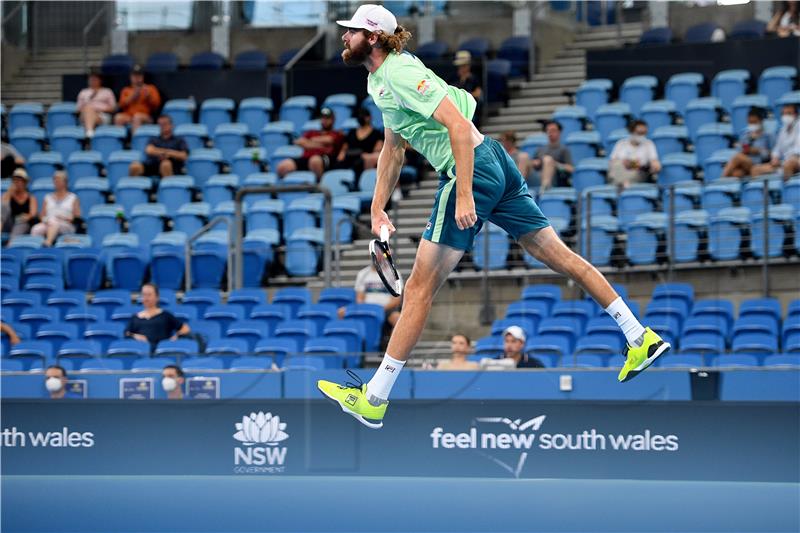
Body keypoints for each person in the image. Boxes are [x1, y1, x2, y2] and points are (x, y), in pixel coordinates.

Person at [317, 4, 669, 429]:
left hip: (473, 169)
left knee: (418, 288)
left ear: (372, 38)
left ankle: (375, 398)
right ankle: (638, 336)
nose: (344, 36)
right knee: (561, 257)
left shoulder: (400, 72)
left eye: (352, 30)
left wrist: (464, 192)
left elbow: (459, 127)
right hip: (496, 165)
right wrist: (377, 208)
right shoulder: (380, 80)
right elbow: (393, 148)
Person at [276, 107, 345, 180]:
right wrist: (322, 146)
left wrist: (309, 142)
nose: (325, 120)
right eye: (323, 118)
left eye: (328, 118)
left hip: (324, 159)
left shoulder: (336, 134)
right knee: (283, 166)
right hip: (306, 158)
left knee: (314, 160)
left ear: (333, 120)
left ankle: (320, 186)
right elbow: (299, 142)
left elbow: (329, 140)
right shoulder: (312, 132)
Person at [125, 283, 191, 353]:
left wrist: (175, 337)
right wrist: (135, 336)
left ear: (157, 297)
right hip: (143, 352)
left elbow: (185, 329)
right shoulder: (135, 317)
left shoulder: (165, 315)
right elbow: (127, 333)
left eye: (149, 295)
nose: (146, 298)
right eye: (144, 295)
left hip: (162, 352)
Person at [338, 263, 402, 332]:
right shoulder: (363, 273)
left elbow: (396, 300)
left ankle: (394, 342)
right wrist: (366, 308)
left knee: (398, 319)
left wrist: (379, 309)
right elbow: (359, 298)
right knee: (341, 312)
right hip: (367, 308)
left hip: (386, 310)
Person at [749, 103, 800, 180]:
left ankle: (787, 190)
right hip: (783, 162)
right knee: (755, 169)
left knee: (789, 164)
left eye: (789, 113)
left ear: (796, 115)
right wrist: (775, 158)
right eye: (784, 114)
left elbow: (797, 152)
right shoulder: (783, 129)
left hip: (796, 161)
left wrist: (782, 161)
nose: (786, 116)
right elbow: (777, 149)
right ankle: (763, 191)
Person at [128, 115, 188, 179]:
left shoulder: (179, 140)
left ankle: (167, 187)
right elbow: (149, 150)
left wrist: (160, 152)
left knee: (165, 164)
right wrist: (168, 153)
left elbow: (183, 156)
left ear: (171, 125)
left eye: (165, 124)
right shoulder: (154, 139)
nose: (163, 126)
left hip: (172, 166)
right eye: (160, 124)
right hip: (153, 164)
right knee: (135, 166)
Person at [30, 170, 80, 247]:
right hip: (48, 222)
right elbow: (42, 215)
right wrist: (45, 220)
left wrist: (65, 218)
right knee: (35, 229)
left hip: (66, 224)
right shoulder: (47, 197)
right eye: (55, 180)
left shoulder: (73, 197)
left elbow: (77, 217)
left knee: (54, 221)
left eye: (59, 180)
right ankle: (36, 250)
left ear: (65, 182)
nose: (56, 182)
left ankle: (48, 243)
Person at [608, 119, 661, 188]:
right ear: (631, 132)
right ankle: (622, 185)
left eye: (644, 133)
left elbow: (655, 163)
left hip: (639, 172)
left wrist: (633, 164)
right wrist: (625, 163)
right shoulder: (621, 144)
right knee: (617, 165)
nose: (642, 136)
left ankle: (623, 186)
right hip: (621, 171)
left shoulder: (649, 144)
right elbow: (612, 161)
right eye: (639, 133)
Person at [722, 109, 775, 178]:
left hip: (759, 163)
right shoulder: (745, 135)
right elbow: (740, 149)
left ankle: (721, 179)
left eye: (754, 122)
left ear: (761, 121)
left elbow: (773, 154)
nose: (752, 124)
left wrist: (758, 151)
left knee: (737, 157)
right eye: (750, 122)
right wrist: (744, 149)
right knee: (736, 173)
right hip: (745, 163)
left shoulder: (768, 136)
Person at [336, 107, 384, 176]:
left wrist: (368, 156)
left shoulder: (376, 133)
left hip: (364, 159)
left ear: (369, 117)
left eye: (363, 116)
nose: (361, 118)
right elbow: (344, 147)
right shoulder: (352, 132)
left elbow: (378, 149)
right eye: (359, 116)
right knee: (338, 165)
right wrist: (341, 154)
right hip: (350, 156)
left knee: (358, 164)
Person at [114, 65, 162, 131]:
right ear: (130, 77)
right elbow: (121, 105)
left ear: (143, 77)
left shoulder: (150, 88)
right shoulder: (126, 90)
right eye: (134, 75)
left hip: (146, 117)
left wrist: (148, 97)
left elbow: (157, 105)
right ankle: (120, 140)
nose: (137, 78)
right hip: (129, 116)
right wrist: (132, 96)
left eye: (139, 75)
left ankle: (135, 140)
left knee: (137, 117)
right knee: (118, 117)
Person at [530, 121, 573, 192]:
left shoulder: (563, 149)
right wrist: (535, 162)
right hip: (538, 177)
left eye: (553, 130)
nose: (550, 133)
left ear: (559, 132)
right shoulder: (540, 149)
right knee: (523, 157)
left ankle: (544, 191)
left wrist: (554, 164)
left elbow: (571, 169)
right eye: (548, 130)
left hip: (556, 178)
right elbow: (532, 163)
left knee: (548, 159)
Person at [76, 71, 117, 138]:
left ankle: (89, 133)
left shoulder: (107, 91)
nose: (93, 81)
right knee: (88, 109)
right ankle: (90, 132)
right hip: (84, 115)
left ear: (100, 80)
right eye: (91, 79)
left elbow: (113, 108)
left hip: (102, 115)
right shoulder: (83, 92)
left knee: (90, 110)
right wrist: (89, 108)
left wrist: (97, 109)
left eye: (95, 79)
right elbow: (78, 109)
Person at [1, 168, 37, 243]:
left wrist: (25, 217)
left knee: (20, 223)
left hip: (22, 222)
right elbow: (2, 207)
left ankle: (10, 245)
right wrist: (9, 192)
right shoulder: (9, 195)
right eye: (14, 180)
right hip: (8, 222)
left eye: (19, 180)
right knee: (3, 207)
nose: (16, 183)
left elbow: (33, 214)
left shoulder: (31, 197)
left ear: (25, 182)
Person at [449, 50, 482, 127]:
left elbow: (478, 94)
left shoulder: (474, 79)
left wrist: (462, 96)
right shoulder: (453, 78)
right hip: (456, 110)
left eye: (465, 65)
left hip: (470, 110)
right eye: (461, 66)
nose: (463, 68)